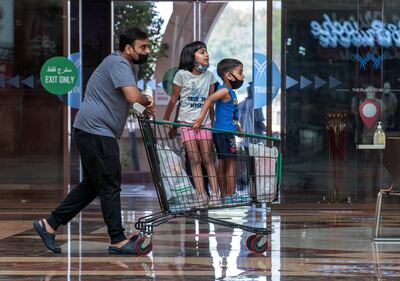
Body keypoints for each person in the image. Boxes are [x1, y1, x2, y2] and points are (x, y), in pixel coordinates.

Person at [32, 27, 154, 255]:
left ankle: (48, 224)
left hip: (92, 130)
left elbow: (124, 100)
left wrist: (140, 106)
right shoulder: (119, 63)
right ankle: (118, 240)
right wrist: (147, 100)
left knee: (92, 186)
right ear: (128, 49)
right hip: (97, 131)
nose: (146, 51)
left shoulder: (123, 65)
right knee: (109, 184)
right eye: (143, 47)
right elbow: (131, 96)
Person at [162, 41, 220, 208]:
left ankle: (214, 194)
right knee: (194, 159)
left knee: (207, 158)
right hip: (186, 123)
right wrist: (167, 120)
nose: (206, 54)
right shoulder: (181, 74)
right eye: (202, 52)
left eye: (206, 51)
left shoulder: (210, 76)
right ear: (192, 56)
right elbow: (174, 99)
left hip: (205, 123)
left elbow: (210, 102)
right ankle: (201, 195)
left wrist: (211, 121)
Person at [193, 58, 245, 204]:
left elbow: (231, 114)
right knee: (230, 163)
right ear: (229, 75)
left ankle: (226, 194)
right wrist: (201, 118)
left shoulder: (230, 92)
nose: (242, 76)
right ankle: (230, 194)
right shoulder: (224, 90)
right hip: (223, 133)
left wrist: (238, 128)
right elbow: (209, 100)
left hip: (226, 132)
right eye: (240, 72)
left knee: (225, 162)